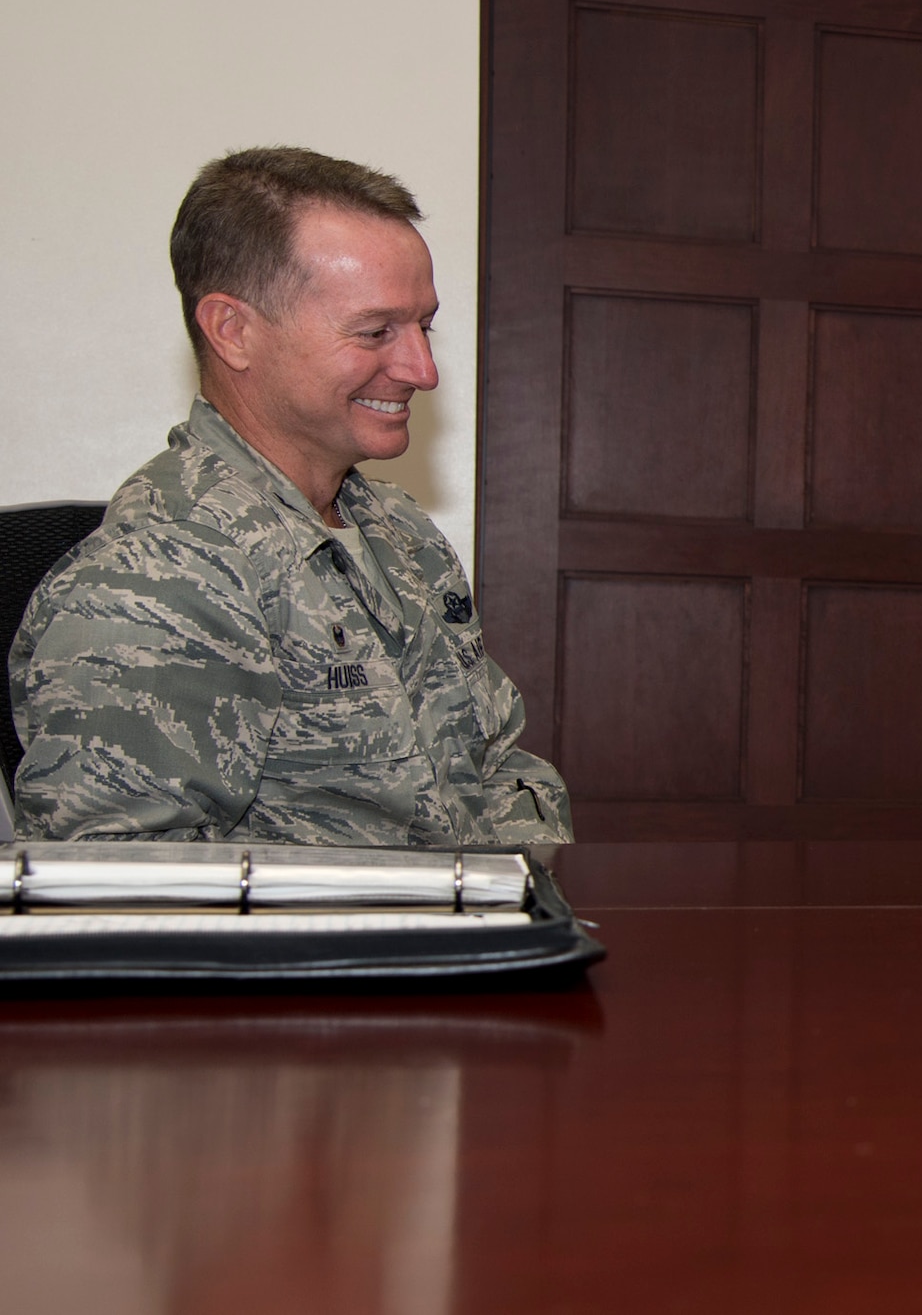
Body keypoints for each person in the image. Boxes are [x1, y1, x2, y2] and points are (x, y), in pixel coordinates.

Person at [8, 147, 572, 846]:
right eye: (375, 331)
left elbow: (506, 770)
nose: (421, 369)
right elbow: (125, 898)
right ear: (232, 330)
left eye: (423, 326)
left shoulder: (401, 536)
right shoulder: (162, 574)